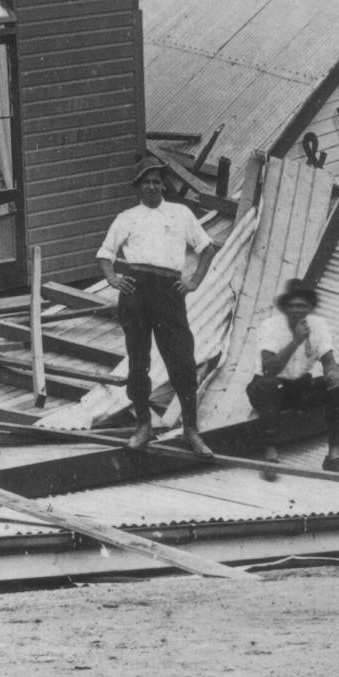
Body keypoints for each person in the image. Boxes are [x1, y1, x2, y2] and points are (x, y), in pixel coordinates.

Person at [97, 156, 220, 457]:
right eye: (146, 182)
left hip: (169, 291)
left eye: (156, 181)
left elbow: (207, 249)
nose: (152, 186)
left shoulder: (181, 213)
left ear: (163, 184)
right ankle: (144, 425)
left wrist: (194, 282)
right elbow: (105, 254)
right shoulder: (127, 217)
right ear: (138, 186)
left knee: (182, 359)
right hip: (136, 290)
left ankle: (190, 428)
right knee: (138, 361)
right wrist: (113, 279)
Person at [246, 279, 339, 478]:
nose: (296, 310)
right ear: (285, 308)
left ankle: (334, 457)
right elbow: (269, 369)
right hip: (270, 386)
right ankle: (270, 456)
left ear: (309, 308)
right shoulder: (270, 326)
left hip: (299, 387)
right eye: (291, 306)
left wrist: (332, 373)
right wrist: (296, 341)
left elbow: (329, 361)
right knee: (268, 386)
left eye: (301, 306)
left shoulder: (318, 325)